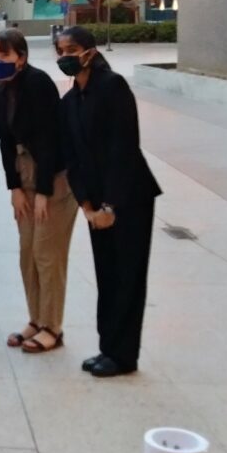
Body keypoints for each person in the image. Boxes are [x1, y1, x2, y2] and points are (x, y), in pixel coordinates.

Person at [56, 26, 161, 377]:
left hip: (128, 199)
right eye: (60, 50)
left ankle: (124, 355)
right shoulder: (71, 100)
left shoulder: (112, 87)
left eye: (71, 49)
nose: (65, 56)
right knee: (107, 275)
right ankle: (107, 348)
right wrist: (87, 204)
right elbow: (70, 156)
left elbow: (124, 150)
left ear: (89, 51)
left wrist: (111, 206)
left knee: (128, 277)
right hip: (96, 203)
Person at [0, 29, 78, 354]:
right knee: (28, 253)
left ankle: (53, 327)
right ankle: (36, 319)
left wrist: (42, 190)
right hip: (23, 171)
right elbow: (4, 138)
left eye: (5, 56)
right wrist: (14, 187)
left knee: (47, 254)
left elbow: (50, 138)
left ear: (21, 58)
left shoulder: (38, 84)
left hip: (53, 175)